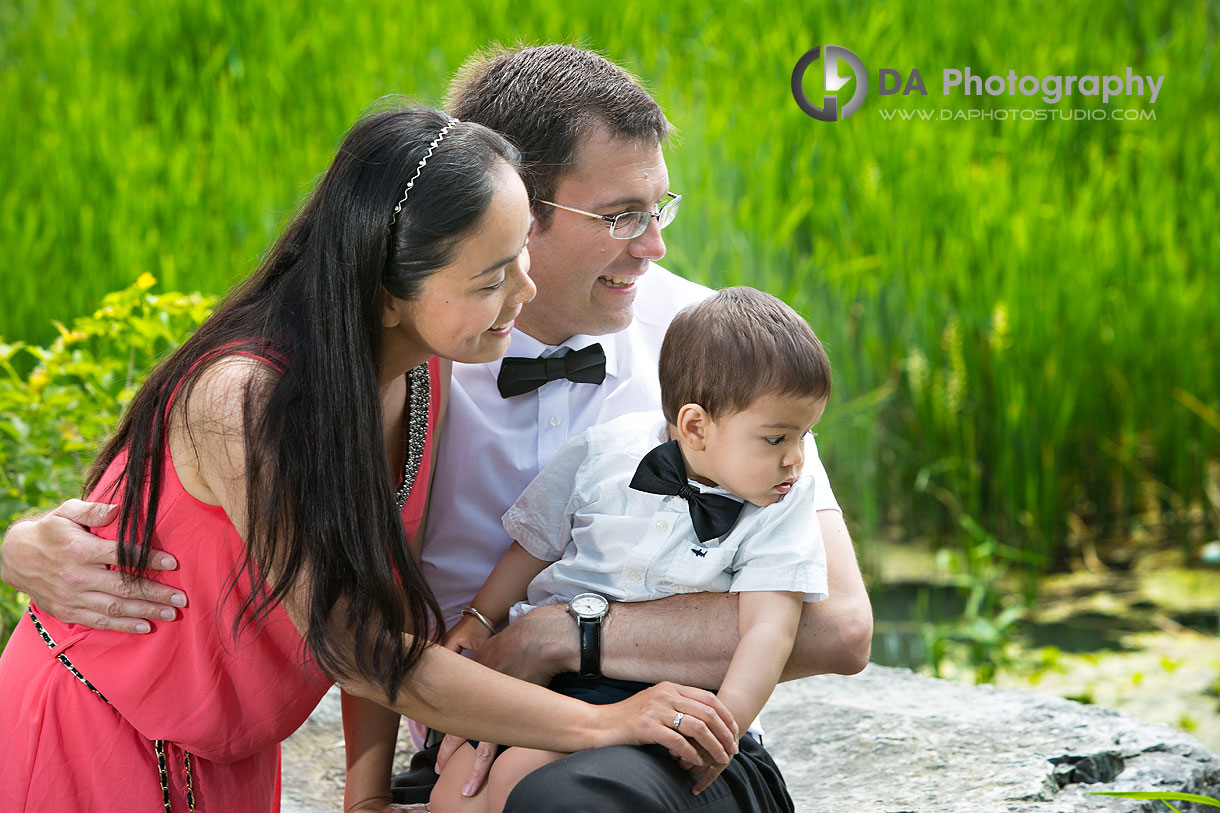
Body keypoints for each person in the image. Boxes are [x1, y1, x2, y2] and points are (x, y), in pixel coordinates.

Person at [1, 45, 873, 812]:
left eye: (660, 207)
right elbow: (361, 638)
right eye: (617, 216)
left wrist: (558, 641)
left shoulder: (700, 345)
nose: (523, 297)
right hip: (114, 727)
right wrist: (21, 540)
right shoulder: (330, 383)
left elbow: (840, 625)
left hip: (240, 752)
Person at [430, 287, 834, 813]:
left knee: (518, 778)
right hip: (552, 684)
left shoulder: (781, 504)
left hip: (668, 694)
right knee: (452, 794)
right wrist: (480, 620)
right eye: (778, 439)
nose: (797, 459)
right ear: (695, 427)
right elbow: (531, 546)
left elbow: (768, 629)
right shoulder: (606, 451)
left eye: (805, 434)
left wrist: (721, 729)